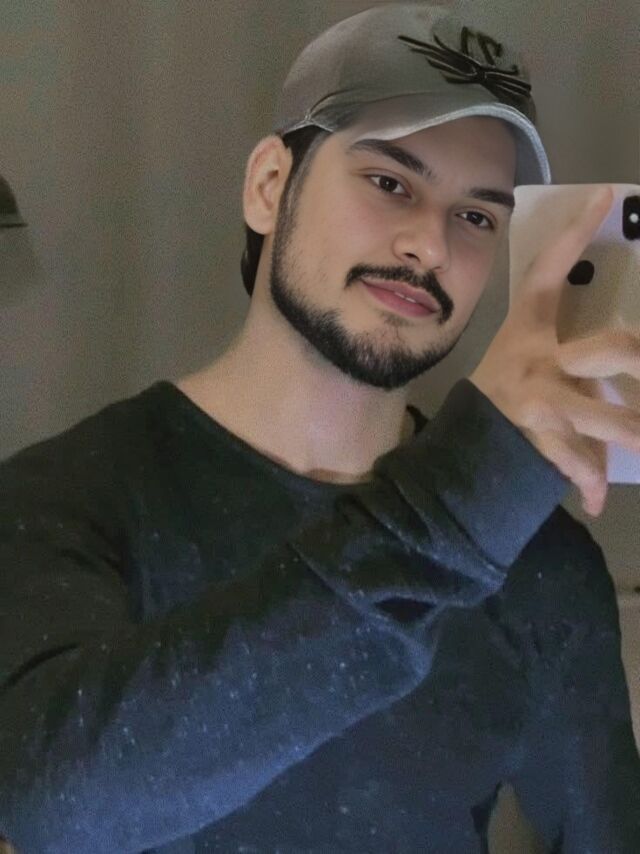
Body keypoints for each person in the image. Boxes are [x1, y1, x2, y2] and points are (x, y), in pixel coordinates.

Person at [0, 4, 638, 852]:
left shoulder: (538, 562)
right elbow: (51, 802)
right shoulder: (62, 499)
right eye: (390, 182)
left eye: (477, 216)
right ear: (270, 185)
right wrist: (466, 493)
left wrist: (482, 497)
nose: (430, 246)